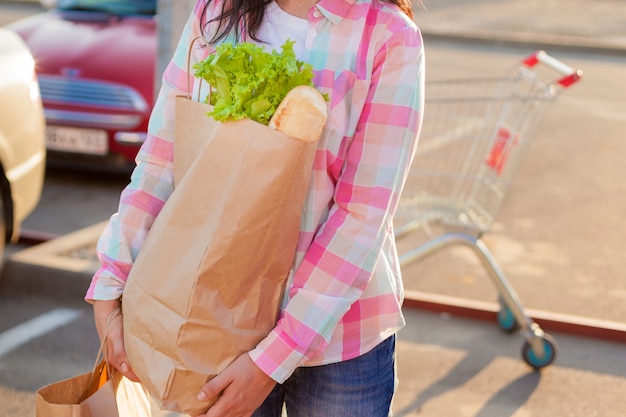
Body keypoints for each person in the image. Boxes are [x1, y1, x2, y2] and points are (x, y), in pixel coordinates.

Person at [86, 0, 424, 415]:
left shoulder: (388, 37)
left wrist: (270, 361)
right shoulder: (215, 14)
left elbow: (362, 215)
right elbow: (161, 162)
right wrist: (111, 278)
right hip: (213, 320)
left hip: (340, 340)